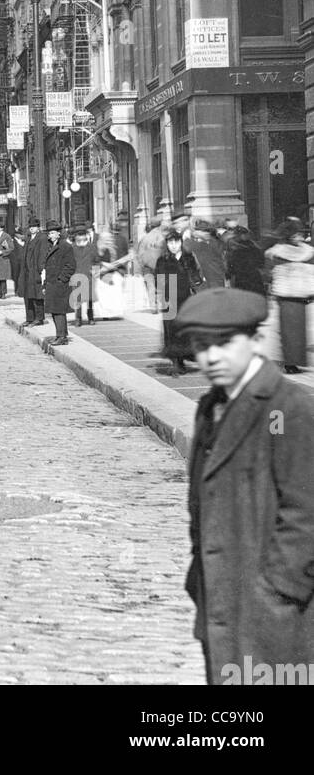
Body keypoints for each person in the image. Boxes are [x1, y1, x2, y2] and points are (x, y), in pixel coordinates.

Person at [174, 288, 314, 685]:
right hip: (220, 599)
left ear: (254, 341)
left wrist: (278, 590)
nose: (212, 357)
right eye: (201, 346)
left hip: (273, 613)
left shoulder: (284, 410)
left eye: (225, 343)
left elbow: (307, 511)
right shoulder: (211, 406)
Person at [265, 218, 314, 375]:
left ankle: (295, 361)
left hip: (300, 294)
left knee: (298, 332)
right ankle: (290, 363)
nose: (299, 237)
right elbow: (270, 274)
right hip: (287, 295)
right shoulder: (279, 253)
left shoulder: (306, 251)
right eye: (296, 235)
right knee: (289, 332)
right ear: (289, 236)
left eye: (300, 234)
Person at [154, 227, 203, 376]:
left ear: (181, 242)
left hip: (185, 297)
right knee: (171, 330)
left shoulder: (188, 257)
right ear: (167, 244)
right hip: (169, 298)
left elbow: (196, 276)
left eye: (176, 242)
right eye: (170, 242)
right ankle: (176, 362)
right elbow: (160, 280)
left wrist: (195, 285)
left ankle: (182, 360)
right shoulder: (163, 259)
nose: (173, 245)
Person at [42, 221, 76, 346]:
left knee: (59, 310)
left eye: (51, 233)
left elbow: (71, 266)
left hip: (60, 284)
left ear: (58, 233)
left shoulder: (65, 246)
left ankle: (62, 336)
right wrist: (46, 283)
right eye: (49, 233)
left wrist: (61, 279)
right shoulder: (52, 245)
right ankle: (60, 335)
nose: (49, 235)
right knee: (54, 311)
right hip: (52, 283)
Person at [20, 217, 47, 327]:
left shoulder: (42, 238)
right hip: (27, 271)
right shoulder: (28, 238)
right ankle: (29, 318)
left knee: (37, 295)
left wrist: (41, 270)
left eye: (34, 227)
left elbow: (43, 254)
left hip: (36, 270)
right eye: (30, 227)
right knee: (27, 295)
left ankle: (39, 318)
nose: (32, 229)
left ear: (38, 228)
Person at [71, 226, 101, 327]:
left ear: (85, 237)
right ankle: (78, 318)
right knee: (77, 299)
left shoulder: (92, 247)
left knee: (90, 298)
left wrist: (96, 272)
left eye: (82, 237)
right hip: (76, 275)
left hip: (89, 275)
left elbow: (97, 260)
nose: (80, 239)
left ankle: (91, 317)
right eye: (78, 237)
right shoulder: (72, 248)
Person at [185, 218, 227, 290]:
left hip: (213, 279)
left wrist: (187, 236)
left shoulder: (208, 244)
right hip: (212, 278)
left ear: (206, 232)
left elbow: (188, 246)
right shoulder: (213, 242)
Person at [224, 226, 267, 297]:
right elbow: (261, 263)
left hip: (241, 279)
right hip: (254, 277)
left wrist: (229, 273)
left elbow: (230, 265)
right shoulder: (254, 247)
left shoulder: (233, 248)